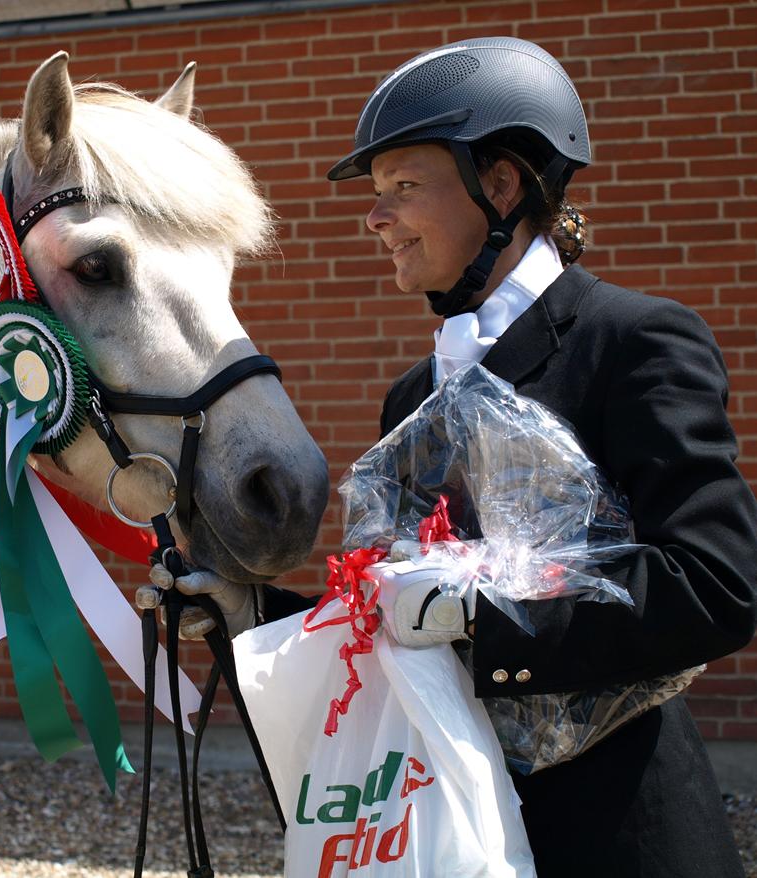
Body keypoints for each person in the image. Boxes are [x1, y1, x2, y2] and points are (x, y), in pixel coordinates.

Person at [140, 36, 757, 878]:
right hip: (442, 823)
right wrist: (250, 612)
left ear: (499, 185)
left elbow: (716, 586)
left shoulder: (636, 341)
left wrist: (478, 614)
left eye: (401, 187)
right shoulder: (413, 395)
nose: (375, 217)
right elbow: (391, 623)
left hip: (613, 832)